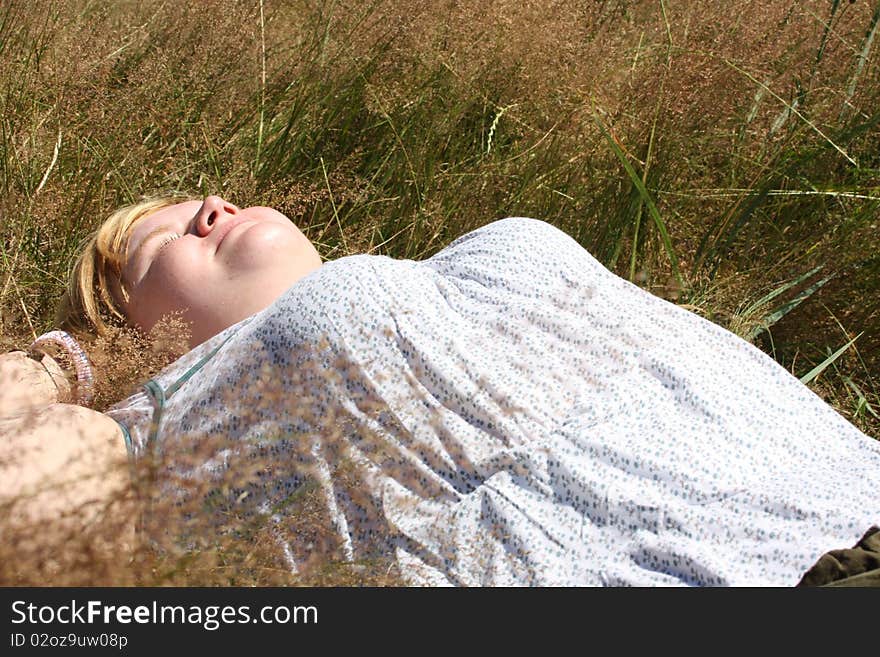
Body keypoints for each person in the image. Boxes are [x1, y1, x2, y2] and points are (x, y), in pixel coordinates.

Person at [1, 194, 878, 586]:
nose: (213, 207)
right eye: (161, 251)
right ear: (135, 341)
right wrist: (71, 365)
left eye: (206, 198)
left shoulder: (448, 263)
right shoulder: (174, 426)